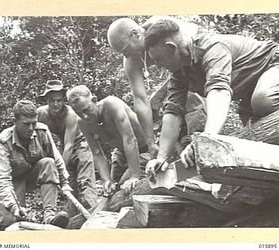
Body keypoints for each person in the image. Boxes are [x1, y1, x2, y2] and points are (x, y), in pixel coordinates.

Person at [144, 19, 279, 172]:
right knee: (258, 148)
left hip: (274, 64)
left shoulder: (212, 48)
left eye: (158, 59)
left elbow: (219, 91)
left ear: (171, 48)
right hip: (250, 96)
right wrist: (161, 158)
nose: (158, 65)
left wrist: (206, 139)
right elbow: (173, 112)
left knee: (263, 100)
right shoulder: (179, 72)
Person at [107, 16, 199, 158]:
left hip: (191, 69)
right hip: (174, 83)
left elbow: (192, 46)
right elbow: (140, 99)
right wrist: (150, 142)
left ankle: (198, 139)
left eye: (125, 49)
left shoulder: (159, 27)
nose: (125, 55)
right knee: (159, 106)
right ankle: (178, 150)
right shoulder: (131, 62)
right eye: (121, 53)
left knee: (189, 97)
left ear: (135, 35)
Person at [0, 100, 73, 230]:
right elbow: (1, 180)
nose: (31, 128)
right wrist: (14, 207)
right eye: (26, 124)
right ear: (15, 121)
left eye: (33, 123)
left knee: (49, 163)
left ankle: (49, 217)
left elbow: (56, 158)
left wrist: (65, 183)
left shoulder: (42, 130)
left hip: (33, 174)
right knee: (7, 224)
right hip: (12, 182)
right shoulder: (3, 142)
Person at [66, 85, 149, 192]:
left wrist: (134, 176)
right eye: (79, 113)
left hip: (143, 151)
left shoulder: (112, 104)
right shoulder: (83, 122)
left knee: (124, 187)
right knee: (112, 188)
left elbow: (129, 139)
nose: (85, 116)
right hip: (121, 153)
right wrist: (106, 180)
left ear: (94, 100)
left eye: (86, 110)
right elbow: (97, 153)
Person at [37, 80, 98, 215]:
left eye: (59, 100)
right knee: (70, 186)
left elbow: (69, 145)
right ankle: (74, 219)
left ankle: (94, 215)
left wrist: (60, 172)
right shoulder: (40, 114)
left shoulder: (70, 114)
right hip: (61, 148)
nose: (55, 104)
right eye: (52, 100)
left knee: (85, 181)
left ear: (63, 100)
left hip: (79, 145)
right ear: (46, 99)